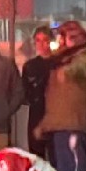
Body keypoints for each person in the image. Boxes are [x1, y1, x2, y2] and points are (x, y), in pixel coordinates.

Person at [35, 19, 86, 171]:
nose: (61, 41)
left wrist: (63, 64)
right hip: (59, 128)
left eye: (67, 37)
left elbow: (79, 69)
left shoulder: (82, 59)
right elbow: (56, 101)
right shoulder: (59, 62)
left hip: (74, 127)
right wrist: (45, 125)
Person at [20, 25, 54, 160]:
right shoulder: (30, 66)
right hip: (36, 115)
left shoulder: (58, 64)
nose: (41, 44)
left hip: (55, 116)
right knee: (36, 157)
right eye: (38, 40)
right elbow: (25, 92)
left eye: (44, 40)